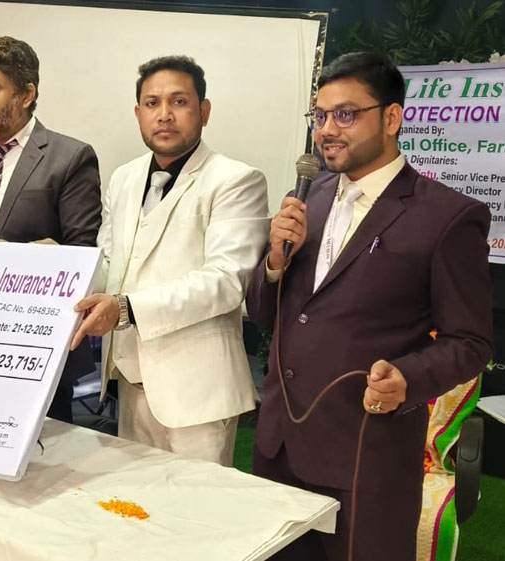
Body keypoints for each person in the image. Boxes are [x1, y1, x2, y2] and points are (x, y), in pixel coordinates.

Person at [245, 52, 492, 561]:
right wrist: (273, 263)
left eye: (346, 114)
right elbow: (268, 315)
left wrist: (406, 378)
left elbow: (470, 343)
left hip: (365, 454)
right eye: (320, 115)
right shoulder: (306, 200)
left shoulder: (447, 216)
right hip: (278, 447)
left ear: (392, 118)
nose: (327, 130)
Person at [71, 55, 269, 465]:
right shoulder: (124, 178)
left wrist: (125, 308)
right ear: (138, 114)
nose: (164, 114)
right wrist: (61, 272)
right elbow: (110, 263)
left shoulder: (235, 179)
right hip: (129, 383)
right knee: (135, 499)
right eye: (152, 103)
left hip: (197, 395)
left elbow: (226, 280)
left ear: (204, 111)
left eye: (179, 102)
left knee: (196, 504)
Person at [0, 36, 101, 424]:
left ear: (27, 94)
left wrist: (15, 259)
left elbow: (82, 257)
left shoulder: (70, 157)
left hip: (33, 352)